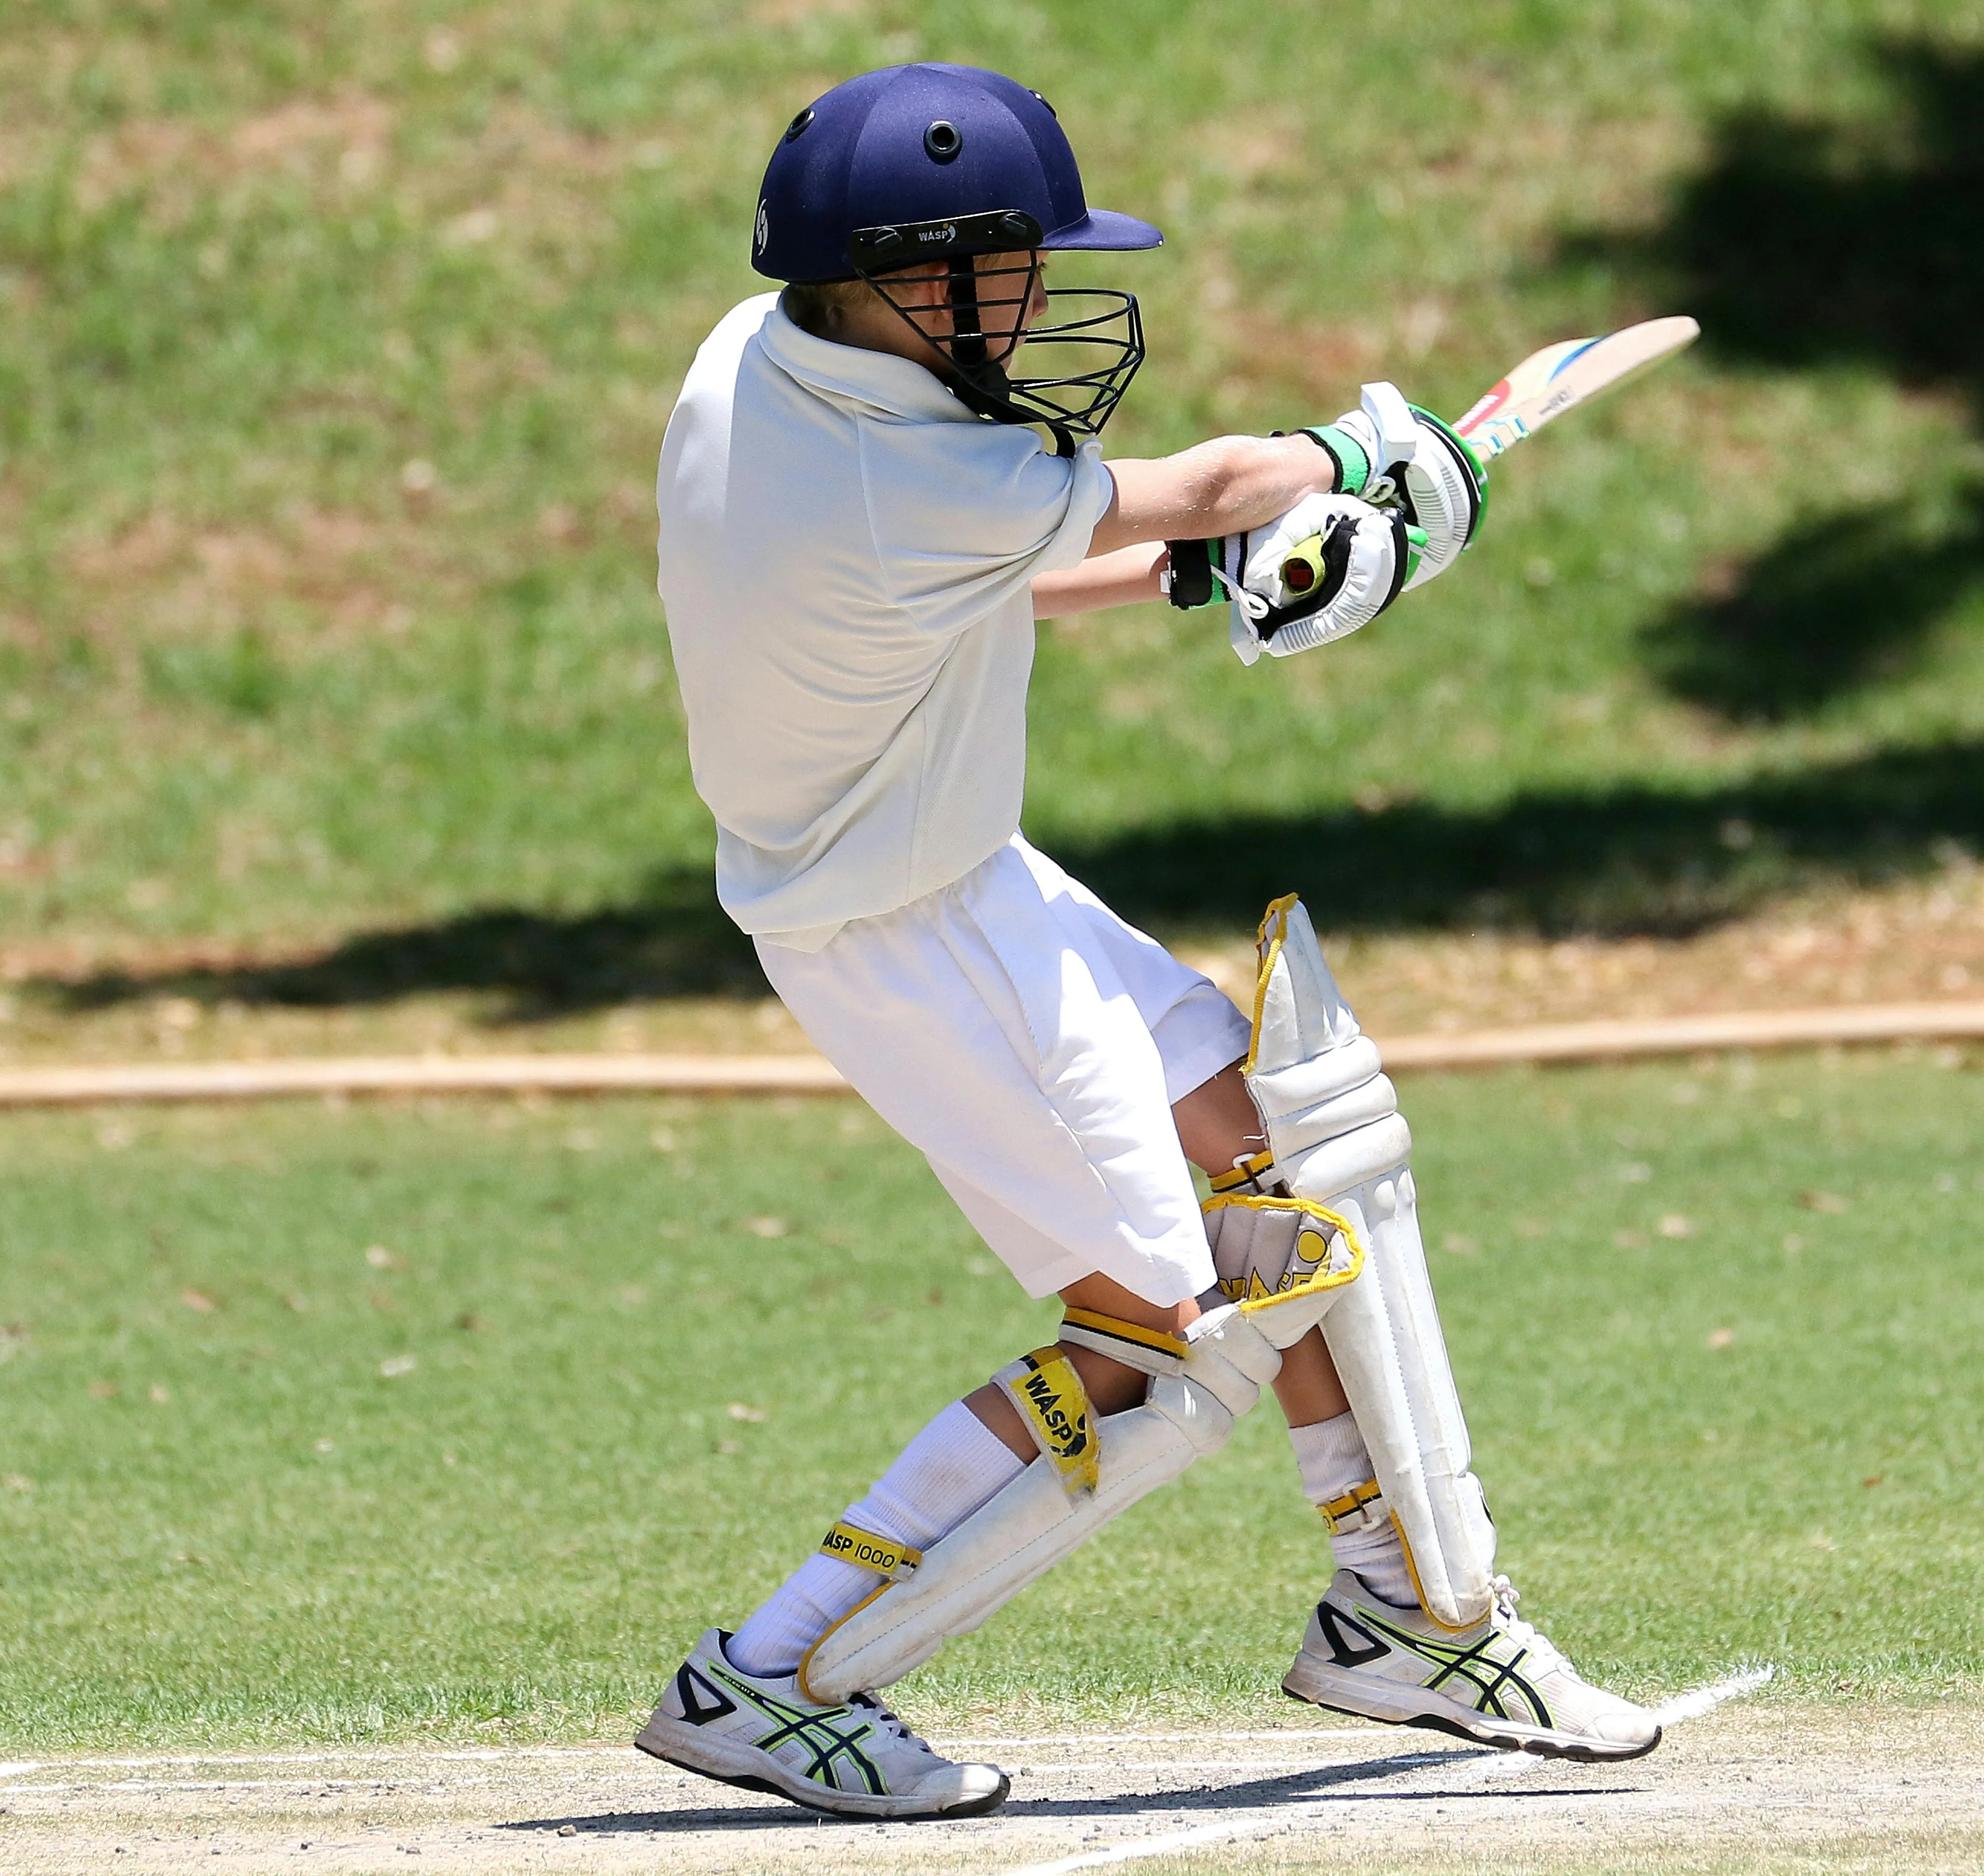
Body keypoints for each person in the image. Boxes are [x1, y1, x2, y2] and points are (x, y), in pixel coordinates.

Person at [636, 61, 1657, 1821]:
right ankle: (778, 1671)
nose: (1038, 295)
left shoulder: (771, 365)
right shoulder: (904, 472)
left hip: (947, 878)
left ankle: (1402, 1616)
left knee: (1286, 1180)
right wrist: (1375, 476)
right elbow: (1202, 481)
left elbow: (1033, 559)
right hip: (907, 931)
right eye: (1012, 262)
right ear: (911, 275)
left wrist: (1221, 570)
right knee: (1169, 1339)